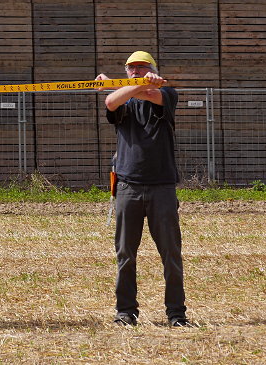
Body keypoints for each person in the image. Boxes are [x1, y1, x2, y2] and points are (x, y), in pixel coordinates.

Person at [96, 51, 191, 327]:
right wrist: (124, 86)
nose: (136, 71)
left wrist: (133, 85)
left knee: (171, 254)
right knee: (125, 253)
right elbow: (111, 102)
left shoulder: (167, 94)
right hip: (127, 186)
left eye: (141, 68)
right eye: (131, 68)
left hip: (162, 186)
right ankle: (125, 311)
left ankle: (176, 313)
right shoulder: (123, 99)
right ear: (126, 72)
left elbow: (153, 96)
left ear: (151, 70)